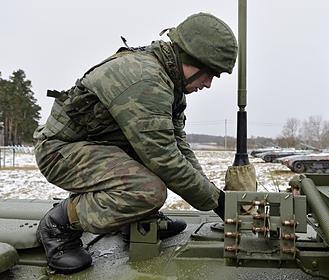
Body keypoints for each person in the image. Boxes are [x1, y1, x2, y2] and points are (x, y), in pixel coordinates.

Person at [33, 12, 237, 274]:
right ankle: (59, 224)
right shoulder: (146, 81)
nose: (208, 84)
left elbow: (177, 146)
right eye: (209, 74)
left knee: (155, 168)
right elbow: (165, 161)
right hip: (60, 152)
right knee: (147, 190)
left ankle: (137, 220)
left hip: (99, 149)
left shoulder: (170, 82)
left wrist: (215, 197)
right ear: (189, 59)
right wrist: (216, 202)